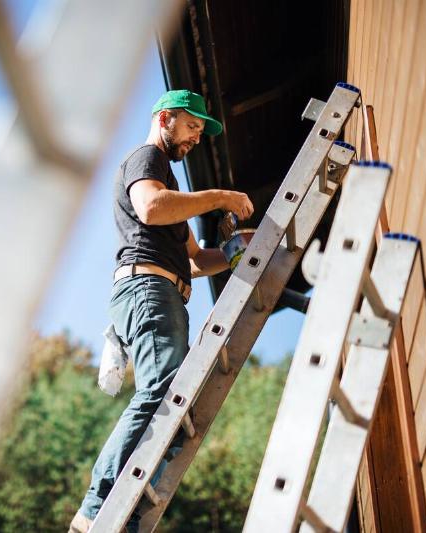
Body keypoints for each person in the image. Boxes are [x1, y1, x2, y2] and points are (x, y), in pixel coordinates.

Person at [68, 89, 254, 533]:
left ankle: (121, 511)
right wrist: (221, 196)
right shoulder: (147, 160)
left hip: (163, 290)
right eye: (192, 127)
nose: (195, 138)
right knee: (163, 390)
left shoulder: (169, 189)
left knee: (173, 399)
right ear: (165, 118)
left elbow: (193, 260)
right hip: (147, 288)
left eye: (200, 133)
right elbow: (150, 208)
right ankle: (96, 511)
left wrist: (235, 252)